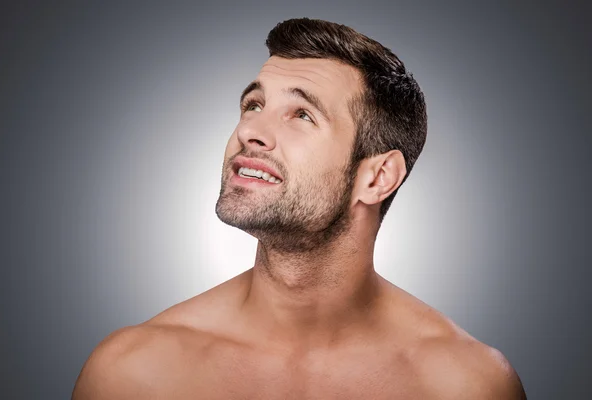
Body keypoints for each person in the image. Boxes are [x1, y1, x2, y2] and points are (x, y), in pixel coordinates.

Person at [72, 18, 526, 399]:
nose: (252, 130)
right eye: (254, 104)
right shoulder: (136, 374)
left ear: (378, 177)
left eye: (302, 114)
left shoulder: (464, 385)